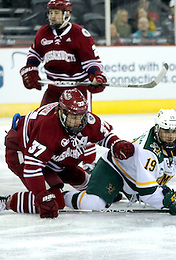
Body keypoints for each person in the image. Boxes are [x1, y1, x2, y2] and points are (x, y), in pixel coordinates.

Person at [63, 109, 176, 214]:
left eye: (174, 131)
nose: (171, 136)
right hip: (113, 171)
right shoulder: (147, 151)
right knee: (95, 204)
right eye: (166, 131)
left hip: (134, 181)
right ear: (157, 129)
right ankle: (62, 197)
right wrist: (166, 202)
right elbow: (147, 192)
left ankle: (114, 194)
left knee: (136, 189)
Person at [1, 88, 134, 218]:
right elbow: (32, 168)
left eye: (81, 116)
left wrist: (117, 144)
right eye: (73, 117)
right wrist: (42, 195)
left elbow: (105, 136)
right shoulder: (48, 129)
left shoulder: (87, 120)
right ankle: (6, 202)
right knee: (55, 202)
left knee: (77, 176)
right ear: (62, 113)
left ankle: (85, 190)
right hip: (21, 150)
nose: (78, 122)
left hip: (51, 153)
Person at [19, 0, 107, 166]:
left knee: (81, 125)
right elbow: (34, 54)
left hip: (77, 89)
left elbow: (92, 62)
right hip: (53, 88)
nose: (52, 16)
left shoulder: (80, 34)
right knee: (42, 121)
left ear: (67, 14)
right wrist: (31, 68)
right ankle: (43, 157)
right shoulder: (43, 33)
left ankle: (87, 163)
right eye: (51, 12)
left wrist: (96, 76)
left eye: (57, 13)